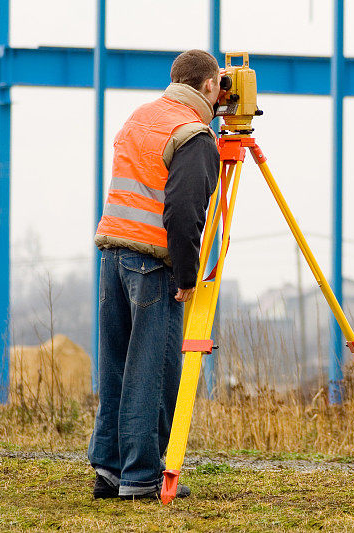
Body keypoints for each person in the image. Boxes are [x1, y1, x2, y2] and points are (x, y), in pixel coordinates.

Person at [88, 49, 223, 500]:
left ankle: (109, 469)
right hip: (152, 264)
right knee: (153, 369)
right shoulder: (194, 135)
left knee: (117, 368)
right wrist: (187, 277)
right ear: (208, 87)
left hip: (112, 254)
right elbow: (184, 214)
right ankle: (142, 475)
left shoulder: (142, 116)